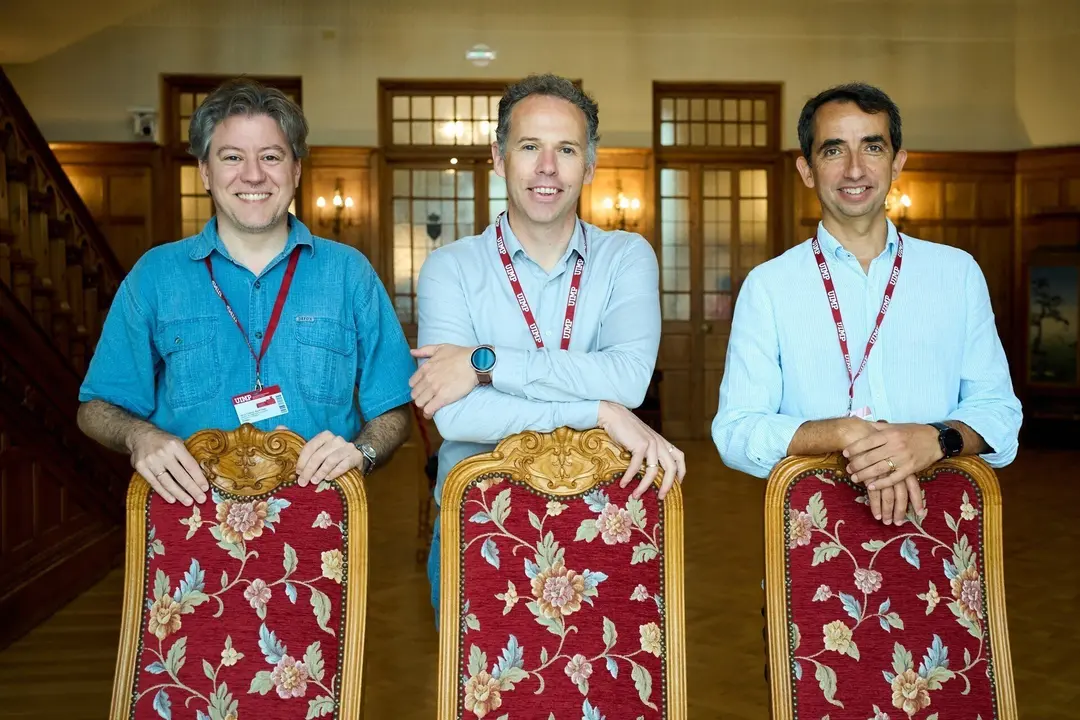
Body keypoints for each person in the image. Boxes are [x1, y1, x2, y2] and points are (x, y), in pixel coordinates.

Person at [409, 73, 687, 618]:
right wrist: (597, 410)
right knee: (476, 701)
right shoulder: (450, 268)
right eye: (529, 146)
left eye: (566, 149)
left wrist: (482, 363)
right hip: (479, 519)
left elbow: (628, 378)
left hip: (602, 517)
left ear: (589, 165)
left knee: (600, 698)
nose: (546, 168)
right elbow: (458, 417)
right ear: (498, 156)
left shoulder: (627, 257)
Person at [76, 78, 415, 504]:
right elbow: (96, 408)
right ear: (205, 170)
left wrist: (362, 452)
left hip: (320, 522)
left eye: (270, 156)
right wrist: (139, 435)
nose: (253, 175)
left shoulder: (350, 273)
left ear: (295, 169)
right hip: (188, 523)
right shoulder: (155, 275)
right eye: (232, 156)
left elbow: (394, 406)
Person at [712, 82, 1022, 526]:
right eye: (834, 151)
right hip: (813, 540)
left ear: (897, 162)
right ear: (807, 170)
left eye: (872, 147)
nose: (854, 170)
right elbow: (734, 432)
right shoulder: (769, 286)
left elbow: (1001, 413)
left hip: (944, 536)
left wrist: (935, 438)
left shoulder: (957, 273)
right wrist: (842, 432)